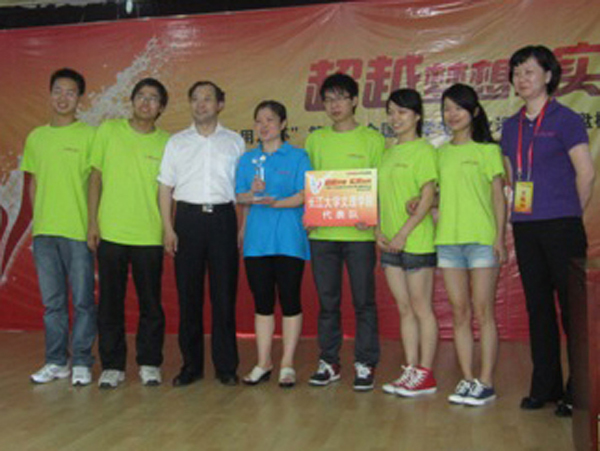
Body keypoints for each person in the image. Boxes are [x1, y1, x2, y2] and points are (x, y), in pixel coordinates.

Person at [501, 45, 595, 417]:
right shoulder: (510, 126)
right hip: (526, 227)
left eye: (529, 71)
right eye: (516, 73)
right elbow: (512, 177)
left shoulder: (566, 119)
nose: (521, 79)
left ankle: (579, 390)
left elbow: (586, 173)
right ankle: (545, 386)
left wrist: (569, 213)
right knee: (538, 308)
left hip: (562, 226)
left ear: (548, 76)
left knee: (573, 311)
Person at [158, 81, 245, 387]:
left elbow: (242, 190)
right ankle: (191, 366)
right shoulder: (177, 142)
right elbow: (165, 187)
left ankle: (226, 367)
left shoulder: (235, 142)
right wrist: (168, 228)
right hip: (188, 220)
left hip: (223, 219)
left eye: (207, 99)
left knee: (224, 296)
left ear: (220, 104)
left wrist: (243, 227)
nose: (201, 104)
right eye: (195, 99)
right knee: (189, 297)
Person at [88, 78, 170, 388]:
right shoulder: (108, 131)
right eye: (141, 96)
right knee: (110, 302)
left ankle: (149, 362)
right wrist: (93, 223)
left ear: (161, 107)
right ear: (132, 100)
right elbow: (95, 178)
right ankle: (112, 366)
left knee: (151, 303)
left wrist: (168, 228)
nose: (146, 102)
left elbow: (169, 191)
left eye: (153, 98)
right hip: (111, 232)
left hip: (149, 234)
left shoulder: (167, 143)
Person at [306, 73, 384, 391]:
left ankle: (365, 363)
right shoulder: (315, 140)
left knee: (364, 302)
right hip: (322, 234)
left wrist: (373, 216)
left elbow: (379, 186)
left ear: (354, 101)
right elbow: (310, 184)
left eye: (340, 98)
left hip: (359, 235)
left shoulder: (373, 140)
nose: (334, 105)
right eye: (328, 100)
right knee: (328, 303)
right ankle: (329, 361)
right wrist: (310, 213)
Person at [22, 68, 97, 386]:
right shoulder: (36, 137)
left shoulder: (90, 136)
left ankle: (81, 360)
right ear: (50, 94)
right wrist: (38, 223)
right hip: (44, 234)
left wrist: (93, 224)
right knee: (52, 303)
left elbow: (96, 184)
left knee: (82, 301)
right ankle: (56, 361)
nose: (63, 98)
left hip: (77, 231)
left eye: (70, 92)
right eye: (57, 91)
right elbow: (34, 183)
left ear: (80, 98)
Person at [436, 83, 507, 406]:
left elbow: (498, 197)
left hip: (481, 240)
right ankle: (467, 378)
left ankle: (486, 381)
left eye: (459, 108)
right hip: (448, 242)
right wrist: (421, 203)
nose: (452, 114)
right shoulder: (440, 153)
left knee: (483, 311)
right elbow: (439, 195)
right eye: (447, 109)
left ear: (474, 112)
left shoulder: (487, 151)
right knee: (460, 312)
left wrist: (498, 237)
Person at [236, 100, 312, 388]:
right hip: (257, 241)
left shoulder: (298, 156)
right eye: (259, 121)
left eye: (269, 120)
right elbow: (239, 196)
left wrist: (275, 202)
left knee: (290, 299)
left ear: (283, 124)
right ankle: (263, 362)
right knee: (262, 302)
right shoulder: (248, 160)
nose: (264, 126)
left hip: (290, 239)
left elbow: (305, 194)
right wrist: (251, 193)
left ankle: (287, 363)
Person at [377, 89, 438, 397]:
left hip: (416, 242)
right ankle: (411, 368)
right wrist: (378, 230)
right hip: (389, 243)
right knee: (404, 308)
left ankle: (425, 372)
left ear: (417, 116)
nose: (395, 118)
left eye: (402, 112)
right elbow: (379, 197)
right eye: (391, 112)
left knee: (421, 307)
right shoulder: (387, 152)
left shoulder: (424, 151)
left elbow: (427, 197)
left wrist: (403, 233)